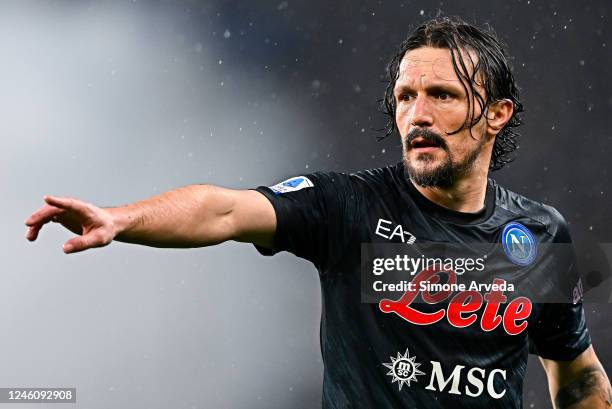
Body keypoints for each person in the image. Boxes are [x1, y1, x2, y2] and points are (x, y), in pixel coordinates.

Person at [25, 17, 610, 409]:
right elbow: (225, 210)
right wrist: (122, 219)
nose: (418, 114)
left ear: (497, 114)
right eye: (406, 96)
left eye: (443, 95)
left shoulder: (536, 234)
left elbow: (577, 375)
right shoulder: (348, 206)